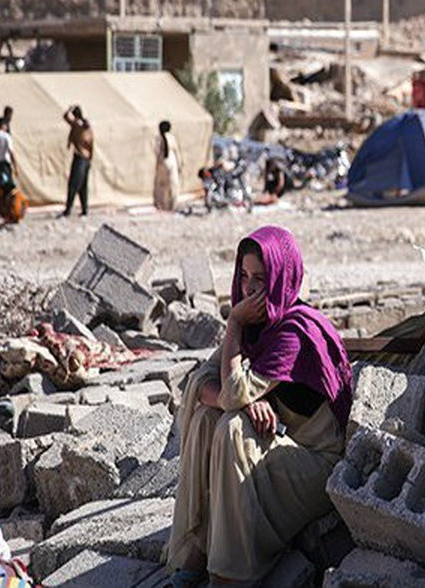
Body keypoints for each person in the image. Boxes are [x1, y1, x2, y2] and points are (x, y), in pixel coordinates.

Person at [168, 227, 352, 588]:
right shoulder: (258, 327)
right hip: (289, 450)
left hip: (318, 466)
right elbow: (200, 382)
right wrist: (245, 398)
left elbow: (233, 392)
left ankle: (232, 572)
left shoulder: (293, 332)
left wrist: (233, 322)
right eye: (244, 277)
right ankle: (202, 546)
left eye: (261, 279)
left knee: (232, 427)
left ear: (282, 278)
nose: (250, 289)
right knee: (209, 418)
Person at [62, 105, 94, 217]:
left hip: (79, 157)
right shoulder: (87, 126)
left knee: (73, 184)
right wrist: (90, 159)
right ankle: (84, 209)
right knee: (83, 185)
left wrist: (70, 108)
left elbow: (65, 116)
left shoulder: (77, 124)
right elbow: (91, 144)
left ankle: (68, 209)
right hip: (87, 158)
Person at [154, 120, 182, 212]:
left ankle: (161, 204)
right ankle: (173, 205)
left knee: (161, 185)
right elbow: (176, 151)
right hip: (171, 160)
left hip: (162, 161)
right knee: (173, 183)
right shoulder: (172, 137)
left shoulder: (158, 138)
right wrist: (179, 164)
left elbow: (156, 151)